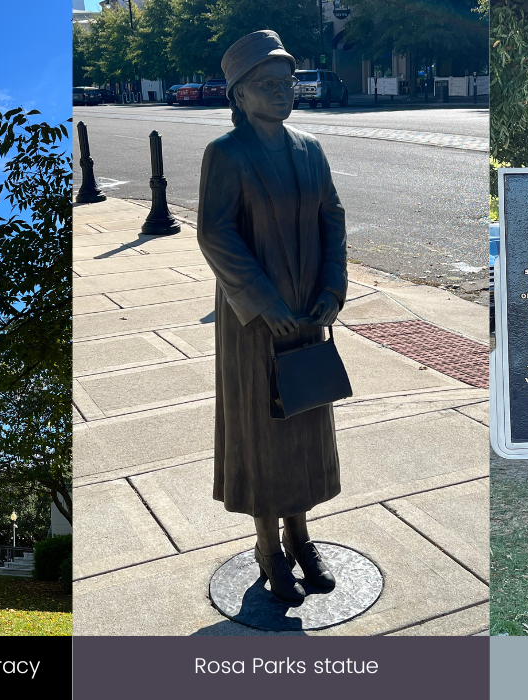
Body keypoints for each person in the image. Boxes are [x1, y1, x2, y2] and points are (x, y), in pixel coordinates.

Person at [197, 30, 348, 604]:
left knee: (304, 423)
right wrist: (264, 304)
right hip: (256, 324)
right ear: (238, 95)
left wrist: (333, 287)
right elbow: (216, 233)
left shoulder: (309, 147)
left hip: (308, 314)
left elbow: (331, 216)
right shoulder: (227, 155)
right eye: (268, 84)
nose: (284, 92)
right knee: (263, 433)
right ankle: (267, 547)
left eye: (288, 82)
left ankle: (302, 537)